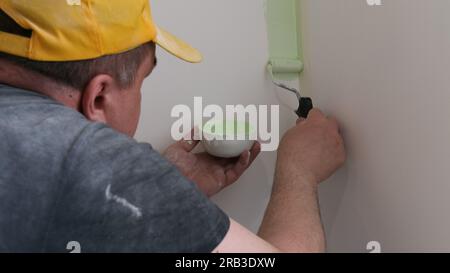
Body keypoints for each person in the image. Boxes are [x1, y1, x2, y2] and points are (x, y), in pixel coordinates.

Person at [0, 1, 345, 252]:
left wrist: (147, 200)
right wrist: (298, 172)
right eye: (142, 80)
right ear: (100, 97)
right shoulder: (100, 162)